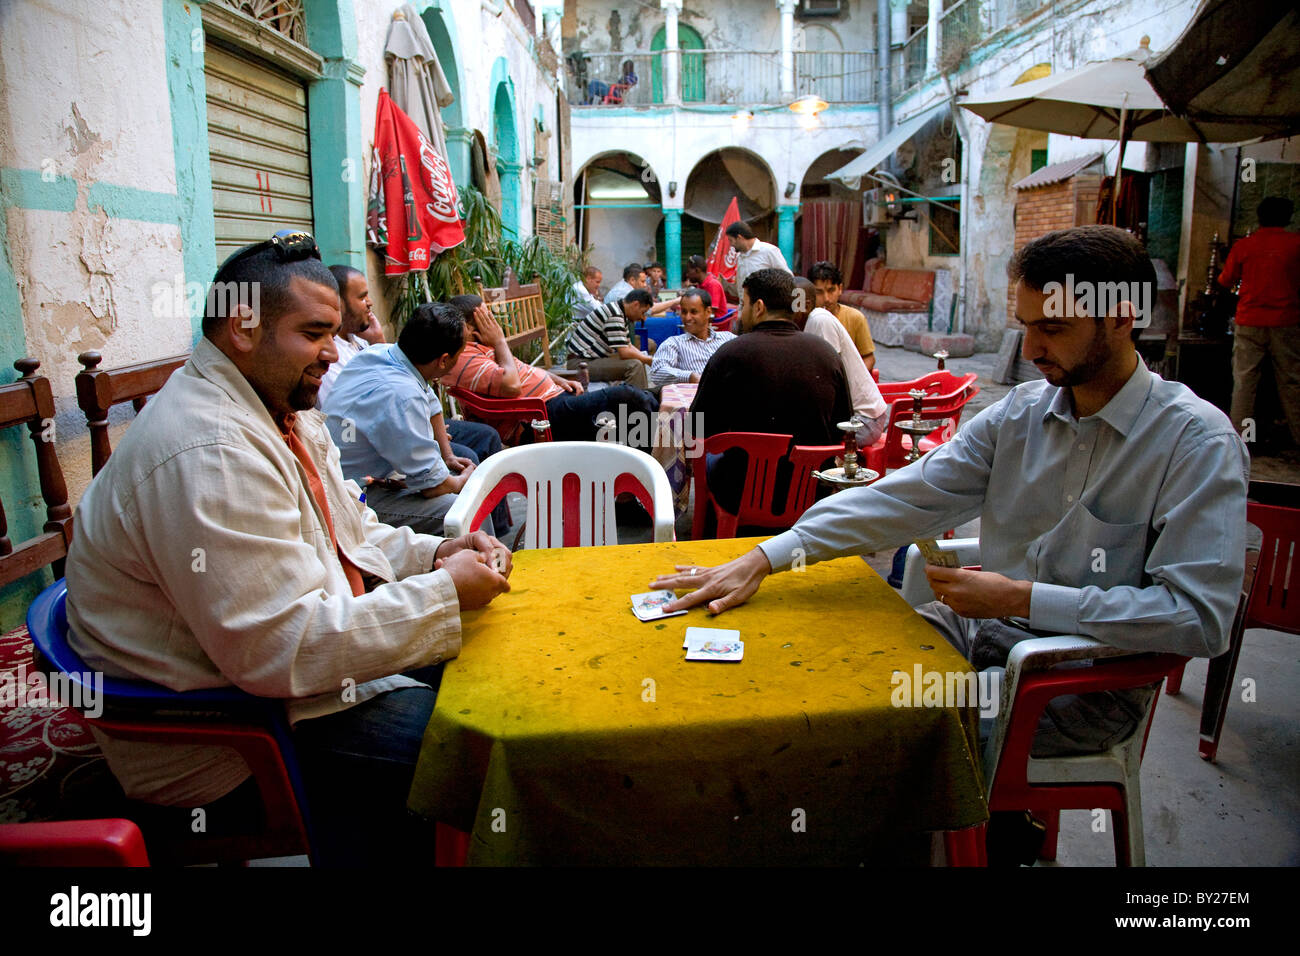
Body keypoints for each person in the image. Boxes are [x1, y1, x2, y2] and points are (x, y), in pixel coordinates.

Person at [656, 225, 1249, 768]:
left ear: (1121, 319)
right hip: (979, 636)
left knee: (885, 733)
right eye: (1026, 327)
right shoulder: (1019, 415)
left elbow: (1200, 618)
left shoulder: (1194, 442)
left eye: (1053, 328)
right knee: (826, 685)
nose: (1033, 348)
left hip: (1077, 680)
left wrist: (1024, 597)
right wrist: (767, 556)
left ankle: (972, 839)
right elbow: (902, 498)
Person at [64, 231, 512, 866]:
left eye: (333, 332)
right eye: (313, 333)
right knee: (484, 748)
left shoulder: (280, 408)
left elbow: (345, 532)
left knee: (497, 666)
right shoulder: (209, 448)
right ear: (243, 328)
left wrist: (434, 555)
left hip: (274, 684)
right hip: (229, 733)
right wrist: (444, 594)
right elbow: (277, 647)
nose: (333, 353)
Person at [691, 267, 852, 518]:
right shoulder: (827, 354)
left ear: (759, 307)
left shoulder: (729, 354)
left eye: (743, 304)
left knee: (712, 460)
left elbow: (698, 427)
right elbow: (842, 424)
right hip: (811, 491)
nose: (740, 312)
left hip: (739, 493)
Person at [324, 303, 489, 537]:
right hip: (351, 496)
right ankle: (487, 567)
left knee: (460, 474)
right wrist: (466, 481)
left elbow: (432, 404)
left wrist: (448, 455)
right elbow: (435, 487)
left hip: (367, 475)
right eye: (460, 353)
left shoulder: (383, 353)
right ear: (443, 360)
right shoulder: (402, 396)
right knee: (469, 508)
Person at [443, 294, 659, 449]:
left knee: (645, 404)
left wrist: (553, 378)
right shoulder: (462, 356)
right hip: (538, 418)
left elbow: (521, 369)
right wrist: (500, 341)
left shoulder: (483, 345)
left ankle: (640, 478)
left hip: (554, 399)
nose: (494, 323)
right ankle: (665, 454)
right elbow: (511, 385)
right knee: (628, 397)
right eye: (487, 317)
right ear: (471, 326)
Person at [1218, 195, 1300, 455]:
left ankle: (1237, 444)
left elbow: (1225, 280)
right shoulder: (1296, 245)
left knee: (1244, 382)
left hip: (1249, 321)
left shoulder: (1245, 246)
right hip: (1286, 322)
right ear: (1288, 217)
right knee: (1291, 382)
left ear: (1260, 217)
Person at [792, 276, 889, 446]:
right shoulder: (805, 324)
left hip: (863, 420)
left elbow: (828, 381)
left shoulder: (819, 321)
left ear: (804, 304)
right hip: (854, 416)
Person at [567, 288, 674, 389]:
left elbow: (628, 345)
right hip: (580, 364)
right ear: (635, 304)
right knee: (634, 366)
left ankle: (643, 397)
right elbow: (625, 353)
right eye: (643, 312)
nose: (643, 318)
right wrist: (649, 360)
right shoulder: (615, 314)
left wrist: (647, 359)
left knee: (639, 360)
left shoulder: (619, 311)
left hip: (588, 360)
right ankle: (639, 404)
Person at [317, 264, 384, 407]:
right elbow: (366, 406)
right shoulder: (329, 354)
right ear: (338, 303)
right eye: (362, 297)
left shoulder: (360, 339)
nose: (369, 302)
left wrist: (378, 341)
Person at [649, 287, 736, 387]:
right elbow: (657, 372)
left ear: (708, 312)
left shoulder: (728, 339)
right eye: (684, 312)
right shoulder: (674, 344)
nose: (687, 318)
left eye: (694, 312)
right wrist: (689, 376)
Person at [808, 259, 877, 372]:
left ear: (840, 289)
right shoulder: (806, 317)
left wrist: (852, 380)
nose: (826, 298)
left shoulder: (855, 317)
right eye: (819, 292)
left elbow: (868, 358)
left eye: (831, 290)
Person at [726, 220, 791, 295]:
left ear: (739, 238)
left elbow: (787, 277)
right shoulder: (740, 257)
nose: (731, 245)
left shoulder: (769, 251)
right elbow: (741, 288)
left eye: (731, 240)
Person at [684, 254, 728, 319]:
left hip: (717, 324)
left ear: (697, 270)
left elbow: (711, 314)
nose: (687, 275)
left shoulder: (713, 285)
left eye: (688, 271)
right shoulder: (700, 285)